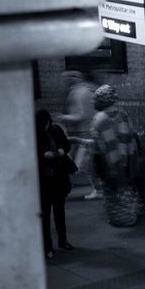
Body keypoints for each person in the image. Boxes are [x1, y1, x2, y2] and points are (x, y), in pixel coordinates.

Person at [90, 84, 142, 227]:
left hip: (110, 164)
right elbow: (131, 138)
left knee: (112, 192)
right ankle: (128, 215)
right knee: (126, 190)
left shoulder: (99, 119)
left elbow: (100, 145)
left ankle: (118, 217)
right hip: (126, 160)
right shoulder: (123, 115)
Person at [36, 109, 75, 259]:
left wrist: (61, 150)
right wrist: (43, 156)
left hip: (58, 177)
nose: (46, 126)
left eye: (47, 123)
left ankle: (62, 240)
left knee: (60, 211)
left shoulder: (55, 130)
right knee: (45, 214)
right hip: (44, 180)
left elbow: (66, 144)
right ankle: (47, 247)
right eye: (44, 124)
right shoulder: (34, 134)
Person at [58, 70, 102, 200]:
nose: (64, 82)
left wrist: (64, 117)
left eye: (68, 78)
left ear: (75, 78)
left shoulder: (81, 93)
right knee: (88, 164)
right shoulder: (84, 90)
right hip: (84, 132)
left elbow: (83, 115)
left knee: (86, 164)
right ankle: (99, 189)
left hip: (86, 133)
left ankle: (99, 189)